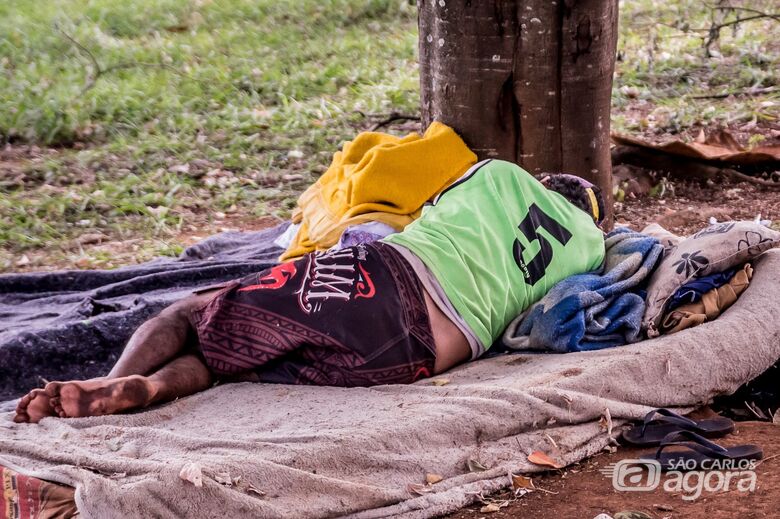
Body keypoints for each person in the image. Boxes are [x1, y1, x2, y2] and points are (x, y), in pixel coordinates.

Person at [13, 159, 606, 423]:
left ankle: (117, 378)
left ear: (543, 181)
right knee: (236, 360)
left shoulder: (501, 174)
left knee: (196, 312)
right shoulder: (594, 250)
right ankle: (155, 389)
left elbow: (428, 210)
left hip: (386, 279)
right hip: (417, 357)